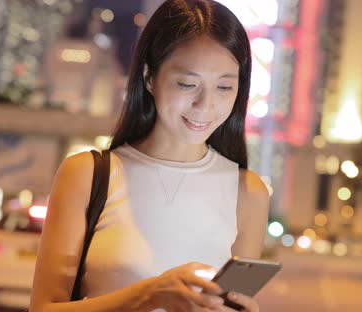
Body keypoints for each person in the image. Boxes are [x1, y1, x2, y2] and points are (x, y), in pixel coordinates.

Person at [30, 0, 269, 311]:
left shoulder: (248, 193)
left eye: (225, 87)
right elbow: (43, 308)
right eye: (187, 84)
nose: (205, 104)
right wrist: (149, 295)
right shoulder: (88, 174)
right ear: (148, 77)